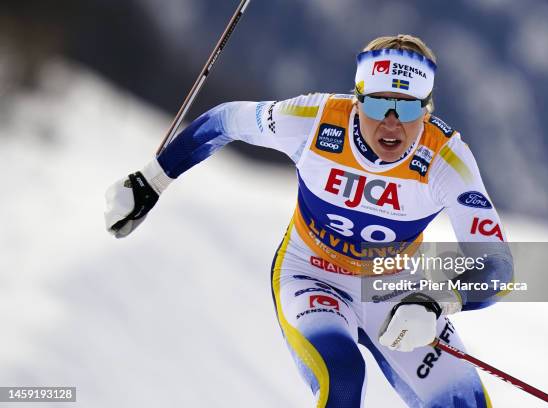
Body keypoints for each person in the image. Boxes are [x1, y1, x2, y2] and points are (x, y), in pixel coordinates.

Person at [105, 34, 513, 407]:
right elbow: (226, 120)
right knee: (343, 381)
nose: (392, 123)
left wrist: (437, 301)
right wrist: (152, 180)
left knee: (464, 403)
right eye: (377, 104)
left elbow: (500, 265)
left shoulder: (446, 159)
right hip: (312, 275)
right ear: (356, 99)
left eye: (407, 108)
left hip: (395, 290)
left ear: (427, 111)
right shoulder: (313, 120)